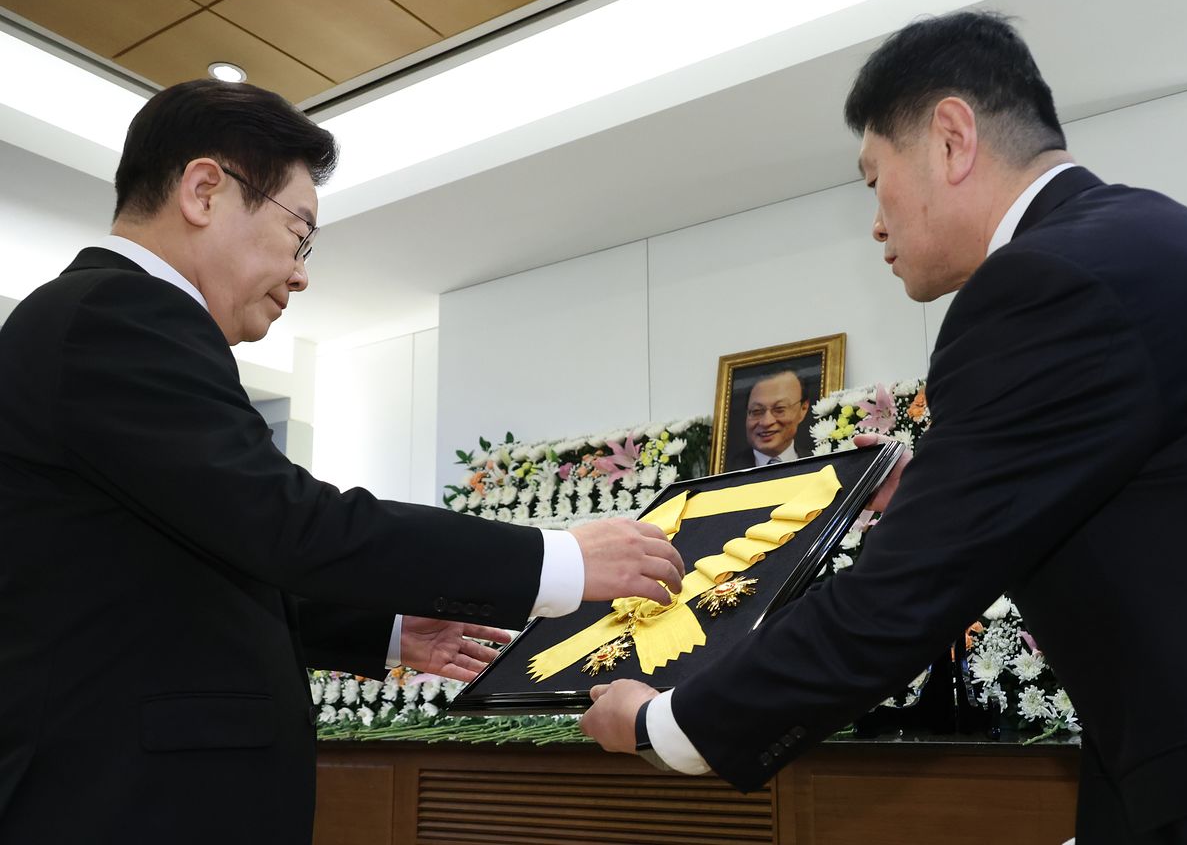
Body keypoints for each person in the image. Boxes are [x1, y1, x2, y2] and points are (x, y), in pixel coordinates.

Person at [581, 10, 1187, 843]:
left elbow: (892, 606)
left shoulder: (1039, 286)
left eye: (872, 178)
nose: (875, 221)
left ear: (950, 139)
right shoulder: (1156, 241)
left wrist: (664, 723)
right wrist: (949, 487)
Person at [0, 80, 685, 845]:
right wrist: (557, 558)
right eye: (300, 235)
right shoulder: (113, 315)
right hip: (121, 801)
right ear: (203, 191)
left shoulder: (107, 319)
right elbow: (287, 521)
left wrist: (388, 629)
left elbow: (184, 566)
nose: (300, 273)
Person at [726, 367, 812, 469]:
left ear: (803, 409)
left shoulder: (820, 465)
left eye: (779, 409)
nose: (766, 422)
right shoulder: (724, 472)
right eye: (756, 411)